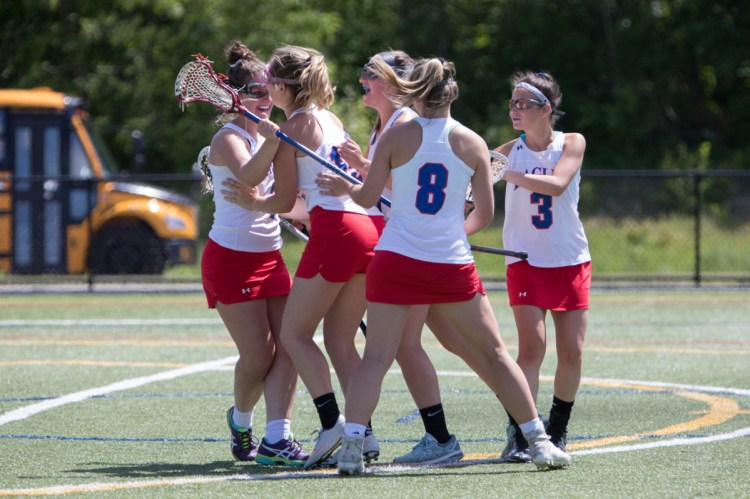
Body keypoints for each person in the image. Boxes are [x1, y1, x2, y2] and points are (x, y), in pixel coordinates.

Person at [314, 57, 572, 476]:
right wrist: (453, 231)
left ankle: (352, 448)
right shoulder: (472, 142)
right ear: (451, 92)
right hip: (449, 263)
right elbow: (485, 214)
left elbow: (365, 200)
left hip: (395, 259)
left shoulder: (395, 136)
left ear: (415, 93)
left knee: (376, 357)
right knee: (494, 354)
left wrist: (349, 184)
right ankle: (539, 442)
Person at [241, 45, 385, 470]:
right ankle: (365, 433)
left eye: (270, 82)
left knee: (294, 334)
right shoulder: (331, 117)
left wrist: (252, 201)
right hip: (365, 228)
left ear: (284, 86)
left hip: (337, 231)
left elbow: (284, 198)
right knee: (340, 340)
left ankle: (332, 424)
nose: (266, 89)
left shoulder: (296, 125)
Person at [333, 50, 463, 465]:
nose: (361, 81)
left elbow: (397, 185)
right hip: (396, 243)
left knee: (451, 345)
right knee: (412, 345)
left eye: (369, 74)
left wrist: (357, 173)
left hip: (407, 246)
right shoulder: (386, 124)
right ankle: (437, 437)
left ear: (392, 80)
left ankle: (373, 437)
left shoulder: (406, 123)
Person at [198, 41, 309, 467]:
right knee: (260, 355)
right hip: (231, 257)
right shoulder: (228, 136)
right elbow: (249, 174)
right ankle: (241, 421)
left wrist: (306, 214)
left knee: (292, 345)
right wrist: (272, 138)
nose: (266, 100)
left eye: (269, 91)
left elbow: (276, 194)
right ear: (235, 98)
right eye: (256, 93)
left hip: (271, 254)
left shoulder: (269, 132)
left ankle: (278, 436)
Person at [493, 71, 590, 462]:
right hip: (525, 262)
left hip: (569, 260)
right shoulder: (505, 151)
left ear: (545, 109)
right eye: (512, 103)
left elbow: (556, 185)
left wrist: (504, 173)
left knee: (573, 352)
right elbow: (466, 192)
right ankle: (521, 432)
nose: (515, 110)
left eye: (523, 104)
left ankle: (559, 429)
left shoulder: (571, 142)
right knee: (532, 348)